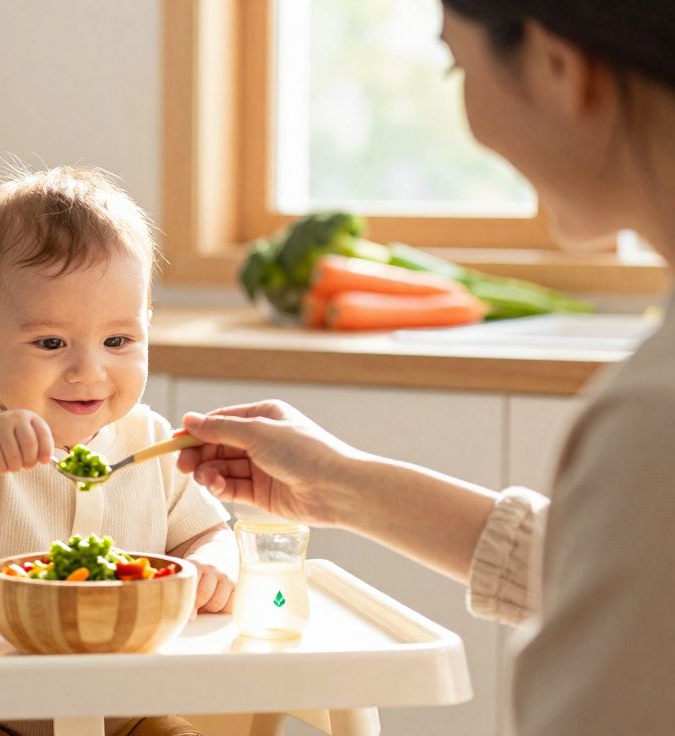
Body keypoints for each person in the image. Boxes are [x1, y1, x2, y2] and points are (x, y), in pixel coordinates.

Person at [176, 2, 675, 733]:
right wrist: (339, 485)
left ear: (557, 65)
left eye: (456, 66)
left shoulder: (651, 421)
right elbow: (613, 572)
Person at [0, 166, 237, 736]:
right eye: (51, 342)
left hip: (126, 714)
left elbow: (207, 531)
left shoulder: (151, 445)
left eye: (118, 341)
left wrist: (215, 564)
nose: (88, 371)